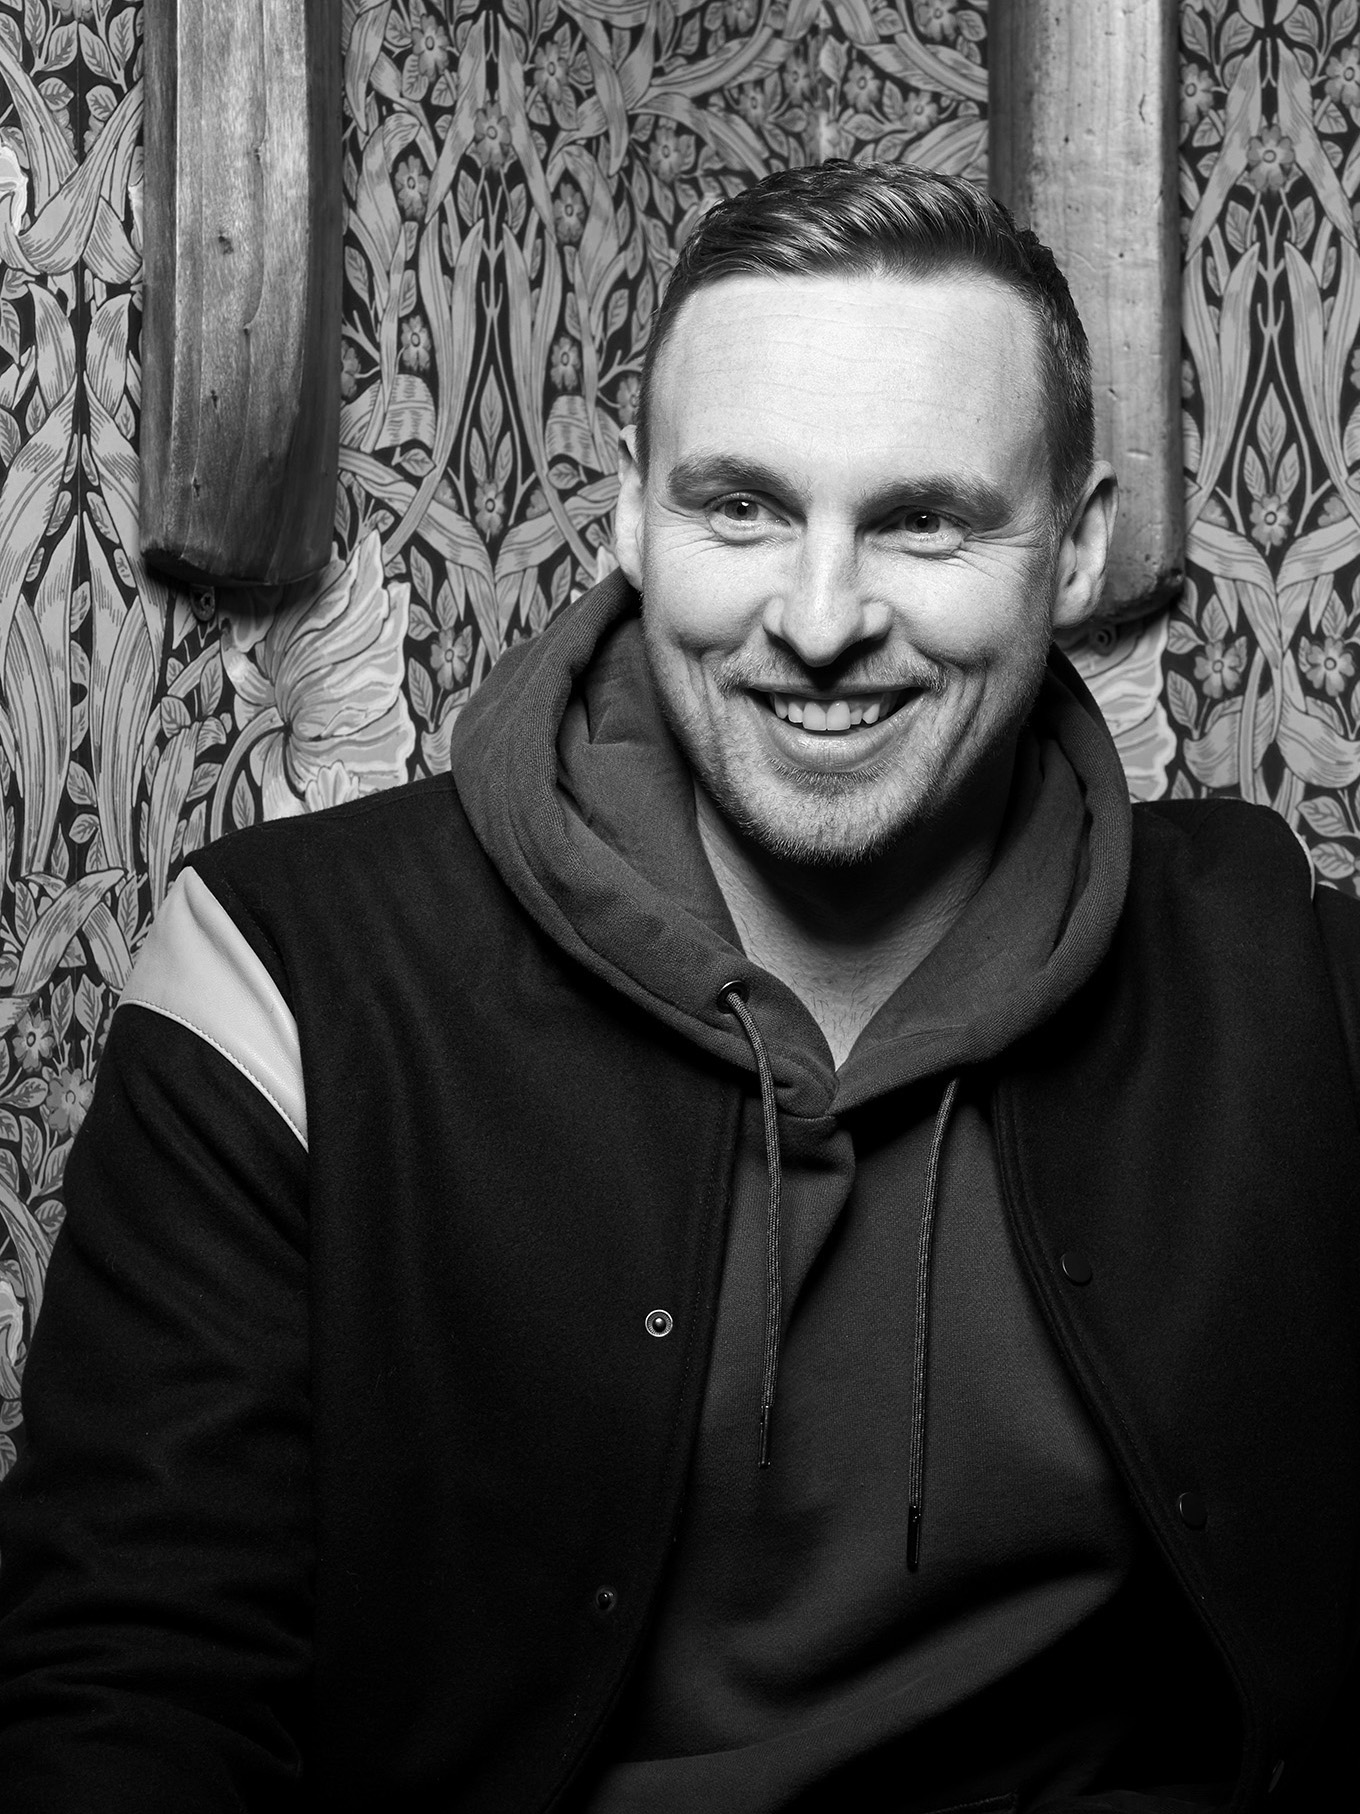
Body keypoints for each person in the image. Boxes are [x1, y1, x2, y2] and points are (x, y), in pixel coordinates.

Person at [0, 161, 1355, 1814]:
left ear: (1074, 550)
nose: (821, 616)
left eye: (923, 518)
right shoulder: (281, 981)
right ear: (631, 515)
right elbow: (133, 1692)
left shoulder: (1291, 977)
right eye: (743, 508)